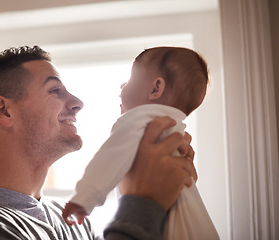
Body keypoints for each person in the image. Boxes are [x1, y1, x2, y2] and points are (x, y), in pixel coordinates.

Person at [0, 46, 197, 240]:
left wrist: (170, 198)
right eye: (55, 90)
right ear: (4, 111)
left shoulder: (72, 220)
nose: (77, 103)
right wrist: (145, 201)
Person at [62, 47, 219, 239]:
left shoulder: (138, 118)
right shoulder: (175, 129)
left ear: (155, 89)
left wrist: (84, 199)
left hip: (162, 221)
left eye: (129, 78)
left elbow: (110, 159)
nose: (122, 85)